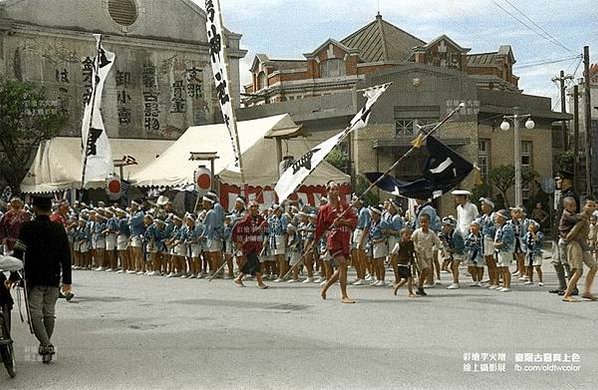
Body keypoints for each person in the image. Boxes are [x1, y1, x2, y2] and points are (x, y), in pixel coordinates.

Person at [12, 194, 72, 362]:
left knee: (35, 313)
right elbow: (66, 255)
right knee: (49, 313)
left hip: (34, 276)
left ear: (35, 208)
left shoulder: (27, 227)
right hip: (53, 277)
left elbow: (19, 251)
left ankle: (46, 344)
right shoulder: (59, 228)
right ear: (50, 208)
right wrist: (67, 281)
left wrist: (13, 274)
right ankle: (46, 344)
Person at [314, 181, 357, 303]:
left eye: (336, 189)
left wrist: (343, 221)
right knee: (343, 264)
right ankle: (344, 295)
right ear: (327, 192)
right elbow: (319, 228)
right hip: (333, 240)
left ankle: (325, 288)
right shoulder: (324, 209)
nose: (334, 191)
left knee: (342, 268)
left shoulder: (345, 206)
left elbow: (354, 221)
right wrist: (315, 241)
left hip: (345, 239)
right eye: (332, 189)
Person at [561, 199, 598, 302]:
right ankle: (567, 294)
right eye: (589, 205)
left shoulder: (588, 218)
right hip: (574, 244)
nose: (591, 207)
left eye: (593, 206)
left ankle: (587, 292)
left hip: (581, 245)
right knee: (578, 270)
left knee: (594, 266)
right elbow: (570, 235)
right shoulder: (581, 218)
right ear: (583, 207)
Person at [550, 170, 578, 295]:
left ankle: (572, 287)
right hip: (558, 234)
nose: (557, 182)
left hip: (565, 235)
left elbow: (572, 218)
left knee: (566, 262)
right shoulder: (563, 194)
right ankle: (562, 286)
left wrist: (568, 234)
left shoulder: (570, 196)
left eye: (559, 179)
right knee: (557, 261)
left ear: (566, 181)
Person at [232, 201, 268, 289]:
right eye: (252, 207)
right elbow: (236, 231)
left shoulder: (260, 218)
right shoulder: (245, 219)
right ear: (249, 209)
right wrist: (238, 242)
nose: (254, 209)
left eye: (255, 207)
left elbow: (265, 226)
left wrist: (263, 224)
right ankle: (260, 282)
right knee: (256, 263)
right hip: (247, 244)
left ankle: (239, 278)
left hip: (256, 244)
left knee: (250, 263)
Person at [411, 213, 443, 296]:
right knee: (425, 269)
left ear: (429, 222)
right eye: (422, 222)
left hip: (428, 255)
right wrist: (414, 249)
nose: (423, 224)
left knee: (428, 270)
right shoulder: (417, 232)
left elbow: (437, 241)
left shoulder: (431, 233)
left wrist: (442, 249)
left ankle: (420, 285)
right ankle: (419, 283)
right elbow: (412, 240)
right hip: (420, 254)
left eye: (425, 222)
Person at [390, 228, 417, 297]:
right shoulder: (399, 244)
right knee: (409, 278)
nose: (408, 236)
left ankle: (397, 287)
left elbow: (413, 252)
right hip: (401, 264)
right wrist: (390, 261)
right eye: (406, 234)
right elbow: (393, 253)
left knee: (405, 279)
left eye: (409, 234)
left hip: (408, 263)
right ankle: (410, 292)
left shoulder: (411, 243)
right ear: (401, 235)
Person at [493, 209, 515, 292]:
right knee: (501, 268)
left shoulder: (507, 227)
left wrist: (497, 244)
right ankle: (503, 284)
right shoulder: (500, 227)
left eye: (497, 216)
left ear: (502, 218)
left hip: (505, 250)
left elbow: (506, 241)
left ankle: (507, 285)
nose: (495, 218)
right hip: (500, 251)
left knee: (505, 268)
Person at [350, 196, 370, 286]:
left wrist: (361, 240)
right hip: (357, 232)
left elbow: (366, 226)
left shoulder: (364, 211)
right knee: (354, 255)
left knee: (360, 256)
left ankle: (363, 277)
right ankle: (359, 275)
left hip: (362, 232)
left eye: (354, 199)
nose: (352, 201)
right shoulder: (358, 211)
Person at [464, 220, 485, 286]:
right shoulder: (468, 236)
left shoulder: (482, 236)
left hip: (479, 253)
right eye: (471, 226)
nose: (472, 228)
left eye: (474, 226)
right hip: (471, 253)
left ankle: (480, 280)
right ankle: (474, 280)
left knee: (480, 267)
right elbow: (465, 245)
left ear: (478, 228)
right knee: (472, 267)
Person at [524, 220, 544, 286]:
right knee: (529, 266)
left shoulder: (539, 233)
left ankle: (540, 280)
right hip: (529, 252)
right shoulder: (527, 234)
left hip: (537, 252)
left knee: (537, 266)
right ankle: (530, 280)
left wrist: (532, 232)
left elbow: (537, 240)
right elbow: (524, 240)